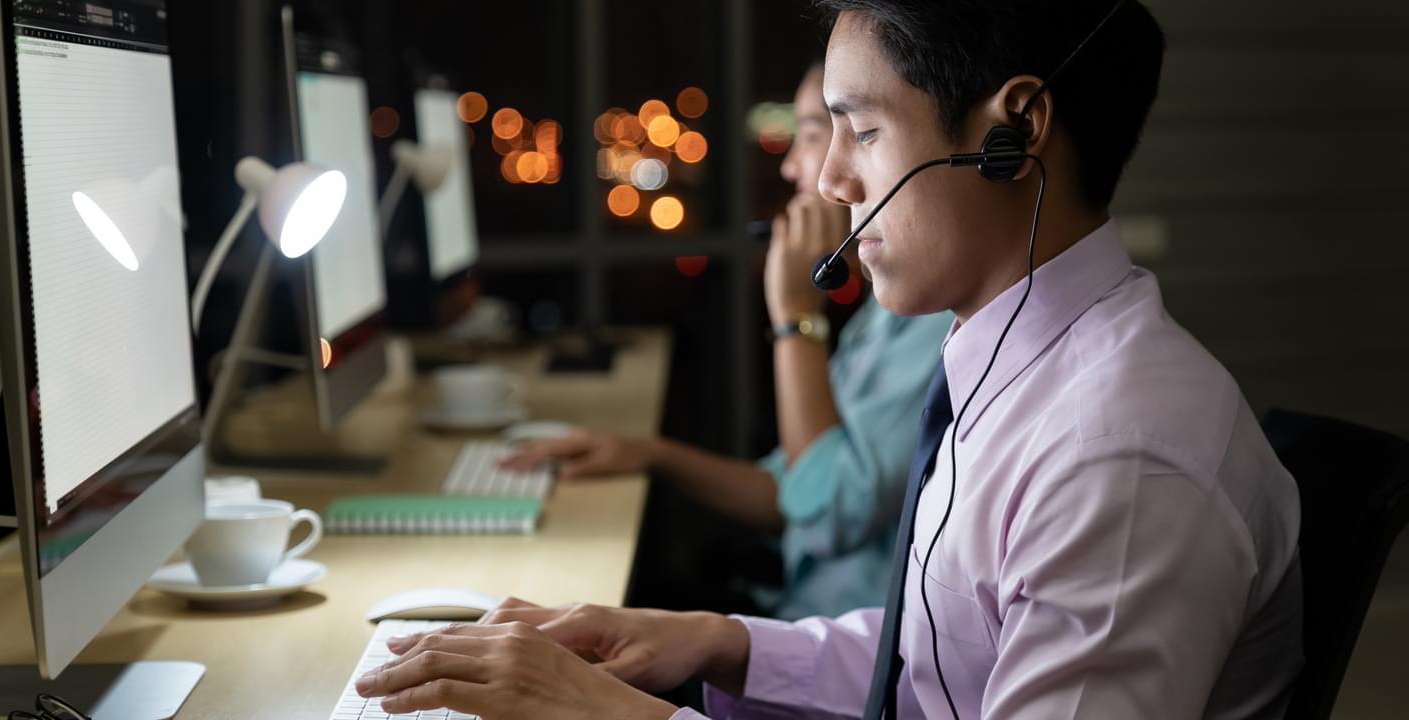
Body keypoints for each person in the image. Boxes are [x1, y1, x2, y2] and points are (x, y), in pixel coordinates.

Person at [354, 2, 1304, 718]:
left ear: (1012, 135)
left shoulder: (1118, 458)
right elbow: (941, 665)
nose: (830, 179)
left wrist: (609, 712)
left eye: (866, 131)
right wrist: (715, 643)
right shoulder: (1011, 359)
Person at [502, 62, 955, 620]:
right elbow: (791, 487)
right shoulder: (882, 317)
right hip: (794, 614)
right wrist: (649, 453)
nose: (792, 166)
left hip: (832, 644)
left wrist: (794, 320)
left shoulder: (934, 324)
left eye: (815, 133)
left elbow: (825, 510)